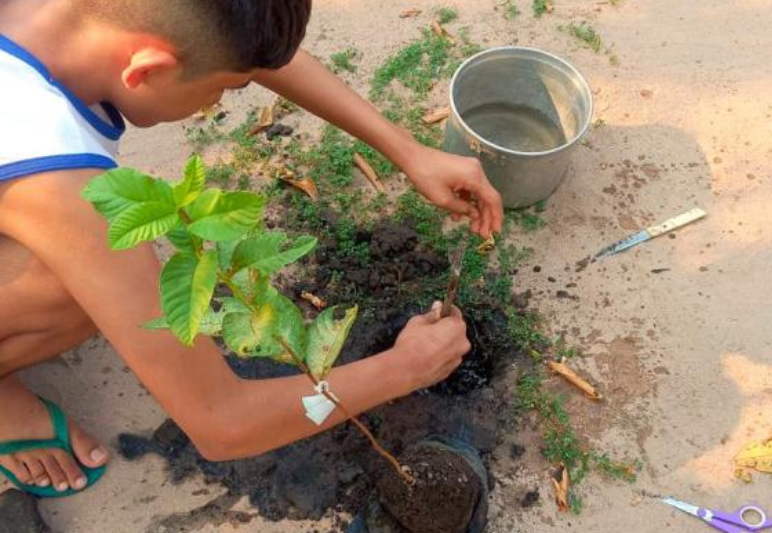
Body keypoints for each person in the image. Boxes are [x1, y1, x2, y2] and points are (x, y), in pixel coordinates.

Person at [0, 0, 503, 497]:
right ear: (147, 68)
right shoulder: (57, 178)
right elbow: (221, 423)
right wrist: (403, 369)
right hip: (50, 192)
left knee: (95, 265)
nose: (217, 101)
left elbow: (238, 42)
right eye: (222, 88)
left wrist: (408, 152)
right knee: (73, 279)